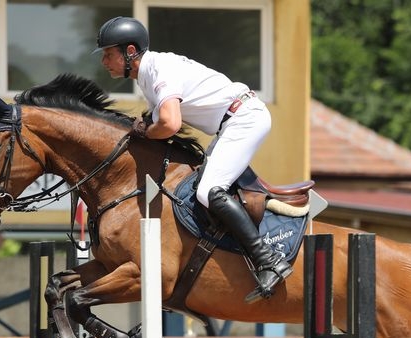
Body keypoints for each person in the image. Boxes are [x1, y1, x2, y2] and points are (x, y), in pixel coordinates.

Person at [94, 16, 292, 303]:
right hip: (232, 122)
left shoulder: (159, 69)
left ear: (131, 51)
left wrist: (147, 131)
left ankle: (269, 259)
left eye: (108, 53)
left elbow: (170, 124)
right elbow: (155, 121)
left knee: (208, 191)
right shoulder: (148, 75)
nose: (104, 61)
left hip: (244, 118)